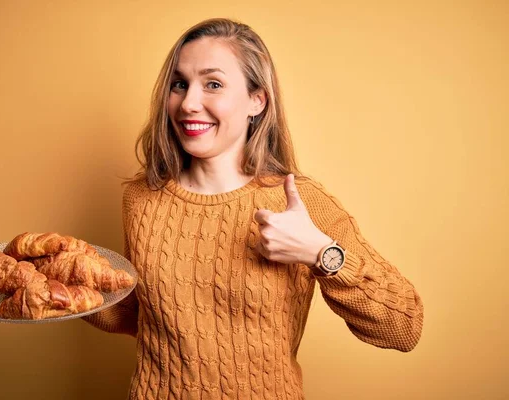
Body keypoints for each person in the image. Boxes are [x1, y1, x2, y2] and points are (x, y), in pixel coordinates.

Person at [83, 18, 424, 399]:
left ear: (256, 100)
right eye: (180, 84)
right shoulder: (141, 199)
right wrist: (65, 284)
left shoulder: (299, 203)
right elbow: (140, 316)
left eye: (213, 84)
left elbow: (404, 325)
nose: (188, 103)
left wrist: (320, 254)